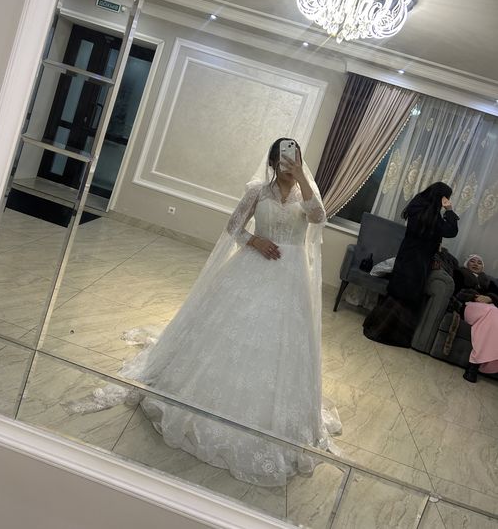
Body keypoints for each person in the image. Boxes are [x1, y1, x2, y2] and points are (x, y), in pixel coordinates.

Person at [66, 138, 341, 486]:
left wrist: (301, 177)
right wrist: (254, 240)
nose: (289, 162)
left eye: (295, 157)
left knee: (284, 345)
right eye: (284, 158)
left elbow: (319, 218)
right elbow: (233, 227)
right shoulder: (258, 192)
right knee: (230, 333)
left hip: (291, 281)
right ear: (273, 161)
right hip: (252, 268)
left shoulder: (306, 195)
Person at [363, 182, 459, 347]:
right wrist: (449, 210)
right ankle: (385, 334)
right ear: (442, 197)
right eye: (447, 197)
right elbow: (451, 231)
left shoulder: (418, 206)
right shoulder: (432, 216)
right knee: (406, 297)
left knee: (397, 293)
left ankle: (376, 327)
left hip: (406, 256)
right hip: (418, 262)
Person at [452, 255, 498, 383]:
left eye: (479, 262)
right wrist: (474, 296)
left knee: (493, 314)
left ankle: (474, 366)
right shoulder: (460, 273)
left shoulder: (489, 282)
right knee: (492, 312)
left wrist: (489, 298)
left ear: (482, 267)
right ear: (467, 264)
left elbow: (496, 296)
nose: (476, 264)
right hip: (469, 306)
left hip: (489, 309)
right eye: (472, 261)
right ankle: (474, 363)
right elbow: (456, 291)